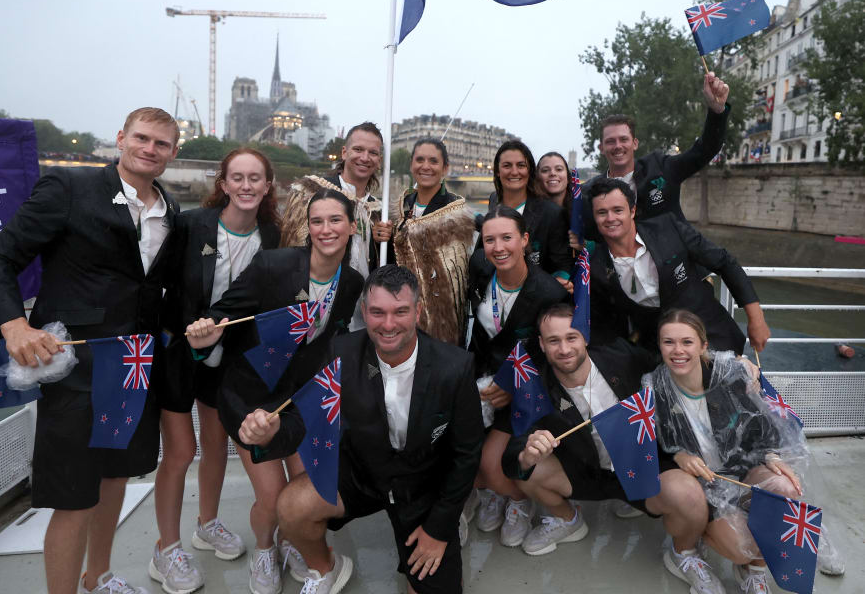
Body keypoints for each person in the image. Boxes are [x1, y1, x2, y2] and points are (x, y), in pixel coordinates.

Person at [0, 107, 181, 594]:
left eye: (162, 144)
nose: (150, 149)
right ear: (121, 138)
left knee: (115, 480)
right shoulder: (68, 189)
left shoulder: (169, 208)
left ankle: (99, 577)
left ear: (174, 153)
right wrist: (13, 325)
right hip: (76, 371)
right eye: (142, 138)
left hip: (132, 368)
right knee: (73, 497)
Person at [185, 188, 364, 594]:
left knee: (305, 493)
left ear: (352, 226)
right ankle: (265, 549)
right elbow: (224, 313)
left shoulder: (351, 283)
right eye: (317, 221)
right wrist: (203, 333)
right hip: (250, 393)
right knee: (271, 496)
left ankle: (291, 541)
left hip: (299, 398)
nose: (326, 229)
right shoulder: (272, 264)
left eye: (335, 220)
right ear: (307, 227)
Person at [264, 264, 482, 593]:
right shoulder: (341, 352)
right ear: (364, 311)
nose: (388, 324)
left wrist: (439, 527)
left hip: (422, 486)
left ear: (418, 311)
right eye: (377, 312)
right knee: (292, 507)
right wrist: (270, 432)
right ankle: (326, 568)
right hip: (362, 472)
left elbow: (466, 454)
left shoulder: (454, 368)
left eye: (401, 311)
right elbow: (306, 417)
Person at [502, 304, 727, 594]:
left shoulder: (623, 357)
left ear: (585, 337)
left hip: (642, 465)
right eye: (553, 341)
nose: (564, 348)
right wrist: (527, 453)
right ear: (542, 346)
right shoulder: (537, 387)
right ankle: (567, 519)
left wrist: (732, 366)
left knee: (691, 498)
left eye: (571, 337)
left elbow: (677, 362)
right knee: (528, 469)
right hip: (587, 472)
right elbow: (511, 454)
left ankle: (683, 553)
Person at [149, 147, 281, 592]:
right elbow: (155, 281)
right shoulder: (192, 226)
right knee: (181, 452)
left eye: (255, 178)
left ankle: (206, 523)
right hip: (178, 351)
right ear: (223, 184)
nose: (246, 186)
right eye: (237, 178)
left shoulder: (273, 236)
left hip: (230, 359)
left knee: (216, 441)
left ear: (267, 186)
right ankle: (165, 547)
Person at [644, 309, 844, 594]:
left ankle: (756, 570)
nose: (678, 351)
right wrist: (678, 455)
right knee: (741, 547)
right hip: (702, 486)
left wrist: (774, 458)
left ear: (703, 345)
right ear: (659, 345)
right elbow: (648, 447)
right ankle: (715, 547)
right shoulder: (654, 388)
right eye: (668, 342)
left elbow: (765, 427)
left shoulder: (731, 374)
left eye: (687, 342)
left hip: (741, 471)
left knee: (783, 487)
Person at [465, 206, 569, 547]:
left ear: (524, 240)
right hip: (480, 379)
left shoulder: (548, 293)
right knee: (465, 454)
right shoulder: (480, 267)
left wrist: (512, 387)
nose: (498, 248)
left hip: (523, 389)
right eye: (490, 239)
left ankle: (519, 502)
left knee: (492, 466)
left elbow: (554, 357)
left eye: (507, 238)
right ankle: (496, 495)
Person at [587, 178, 770, 354]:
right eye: (602, 212)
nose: (610, 218)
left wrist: (756, 319)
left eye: (618, 210)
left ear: (632, 211)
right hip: (659, 352)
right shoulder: (595, 265)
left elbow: (724, 261)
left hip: (711, 335)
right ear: (594, 217)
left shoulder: (669, 228)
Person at [580, 72, 731, 238]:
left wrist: (717, 111)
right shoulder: (588, 192)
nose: (618, 146)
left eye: (623, 139)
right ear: (601, 148)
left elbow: (704, 150)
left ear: (635, 143)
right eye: (610, 141)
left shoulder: (660, 168)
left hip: (669, 261)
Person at [383, 137, 475, 345]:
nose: (426, 166)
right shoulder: (399, 207)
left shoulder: (457, 213)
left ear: (445, 168)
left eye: (433, 161)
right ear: (411, 164)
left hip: (442, 320)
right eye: (420, 160)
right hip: (399, 313)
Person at [280, 122, 389, 281]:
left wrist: (382, 240)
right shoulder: (310, 192)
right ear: (344, 152)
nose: (365, 158)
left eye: (372, 152)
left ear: (379, 161)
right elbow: (290, 247)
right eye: (358, 149)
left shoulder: (379, 211)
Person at [486, 140, 573, 291]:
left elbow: (562, 264)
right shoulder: (494, 200)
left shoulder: (551, 213)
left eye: (521, 165)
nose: (514, 172)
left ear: (530, 170)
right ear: (497, 171)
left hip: (534, 298)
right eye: (507, 166)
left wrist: (556, 284)